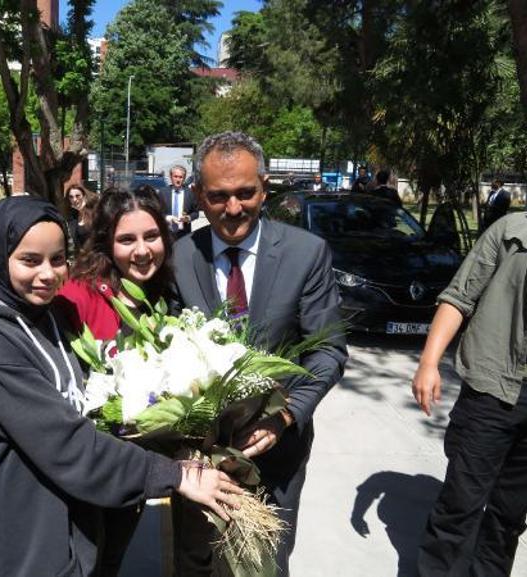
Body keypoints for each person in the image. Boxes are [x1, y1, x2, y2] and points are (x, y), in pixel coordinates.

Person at [0, 195, 242, 577]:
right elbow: (66, 444)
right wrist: (175, 475)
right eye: (30, 260)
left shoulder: (48, 314)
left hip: (69, 530)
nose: (49, 274)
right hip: (20, 545)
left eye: (57, 259)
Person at [171, 131, 348, 577]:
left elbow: (327, 350)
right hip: (196, 462)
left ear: (264, 187)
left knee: (262, 564)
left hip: (277, 455)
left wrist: (284, 417)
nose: (233, 208)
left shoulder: (305, 254)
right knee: (196, 562)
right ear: (198, 195)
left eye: (246, 193)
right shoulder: (178, 259)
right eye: (218, 196)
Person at [54, 185, 174, 576]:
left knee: (111, 559)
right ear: (107, 242)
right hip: (85, 466)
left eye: (151, 236)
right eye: (127, 239)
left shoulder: (162, 294)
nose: (142, 250)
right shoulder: (77, 294)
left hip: (131, 466)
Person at [412, 212, 527, 577]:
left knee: (509, 515)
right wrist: (429, 362)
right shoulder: (513, 230)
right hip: (493, 388)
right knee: (460, 505)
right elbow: (459, 296)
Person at [160, 164, 199, 239]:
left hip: (184, 234)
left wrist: (188, 218)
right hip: (167, 234)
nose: (178, 180)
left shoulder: (190, 193)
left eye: (180, 177)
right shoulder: (163, 193)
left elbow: (196, 213)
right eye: (175, 176)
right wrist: (167, 218)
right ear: (171, 177)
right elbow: (158, 212)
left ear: (184, 178)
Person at [66, 183, 97, 251]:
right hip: (81, 258)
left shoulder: (94, 213)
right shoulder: (72, 217)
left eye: (78, 196)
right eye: (71, 197)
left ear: (84, 196)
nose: (74, 200)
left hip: (94, 256)